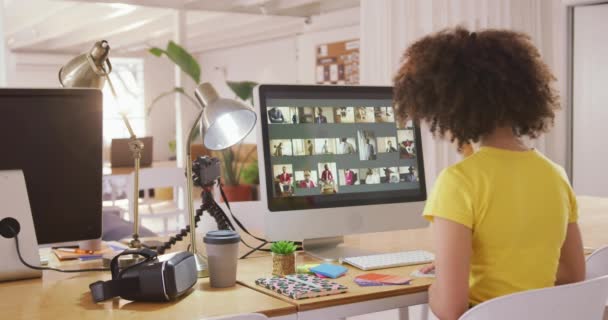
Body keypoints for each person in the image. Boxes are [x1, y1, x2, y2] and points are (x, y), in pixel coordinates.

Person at [393, 27, 584, 319]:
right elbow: (572, 274)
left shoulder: (459, 182)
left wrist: (436, 286)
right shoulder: (556, 176)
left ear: (447, 106)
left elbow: (451, 308)